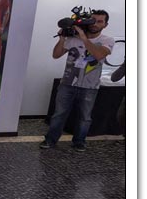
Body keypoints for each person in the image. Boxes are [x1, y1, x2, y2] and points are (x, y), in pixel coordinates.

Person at [40, 10, 113, 151]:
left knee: (84, 117)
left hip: (90, 86)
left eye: (100, 21)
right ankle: (50, 140)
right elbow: (56, 55)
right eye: (93, 20)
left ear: (105, 25)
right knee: (59, 114)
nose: (95, 24)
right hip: (67, 83)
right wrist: (62, 38)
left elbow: (98, 55)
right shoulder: (73, 38)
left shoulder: (107, 40)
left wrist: (84, 38)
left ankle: (79, 142)